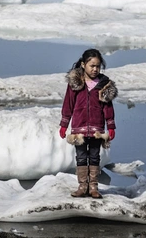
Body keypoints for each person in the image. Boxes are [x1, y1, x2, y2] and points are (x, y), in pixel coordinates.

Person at [59, 48, 118, 199]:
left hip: (97, 128)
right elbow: (68, 104)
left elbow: (108, 107)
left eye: (98, 66)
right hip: (79, 128)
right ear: (84, 64)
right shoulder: (76, 83)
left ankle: (93, 187)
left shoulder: (104, 84)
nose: (95, 69)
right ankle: (82, 186)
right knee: (80, 156)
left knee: (94, 156)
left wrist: (110, 126)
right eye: (92, 66)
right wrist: (64, 124)